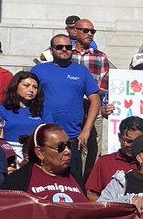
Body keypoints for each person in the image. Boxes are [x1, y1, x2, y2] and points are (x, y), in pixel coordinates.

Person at [33, 34, 101, 180]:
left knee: (73, 182)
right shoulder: (38, 71)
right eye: (59, 47)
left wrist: (86, 131)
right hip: (44, 138)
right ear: (51, 50)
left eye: (68, 47)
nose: (64, 50)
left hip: (72, 139)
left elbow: (95, 100)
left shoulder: (81, 71)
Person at [69, 18, 115, 178]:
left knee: (93, 150)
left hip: (93, 110)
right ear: (75, 31)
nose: (90, 34)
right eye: (85, 30)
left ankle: (88, 184)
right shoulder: (67, 53)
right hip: (70, 110)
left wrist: (94, 102)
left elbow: (104, 83)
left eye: (92, 31)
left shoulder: (100, 57)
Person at [0, 124, 86, 202]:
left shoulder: (75, 177)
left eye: (69, 145)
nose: (68, 151)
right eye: (60, 147)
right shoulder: (19, 180)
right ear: (40, 153)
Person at [86, 117, 143, 201]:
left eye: (137, 142)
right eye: (128, 141)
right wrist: (112, 207)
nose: (132, 146)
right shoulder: (104, 162)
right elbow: (90, 194)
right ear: (120, 137)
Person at [0, 71, 46, 148]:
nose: (31, 90)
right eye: (26, 85)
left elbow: (49, 132)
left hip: (34, 151)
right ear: (15, 86)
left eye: (35, 87)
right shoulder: (1, 109)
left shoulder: (42, 109)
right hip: (8, 150)